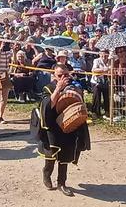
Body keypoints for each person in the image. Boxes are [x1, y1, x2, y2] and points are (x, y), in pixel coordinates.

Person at [33, 64, 90, 197]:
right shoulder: (49, 88)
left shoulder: (73, 87)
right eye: (60, 75)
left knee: (65, 156)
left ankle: (61, 183)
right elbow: (47, 106)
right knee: (51, 156)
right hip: (52, 126)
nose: (63, 78)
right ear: (54, 76)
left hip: (68, 126)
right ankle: (46, 173)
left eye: (66, 75)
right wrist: (58, 89)